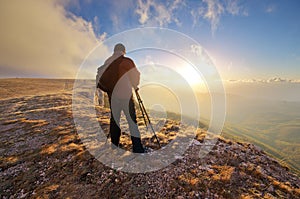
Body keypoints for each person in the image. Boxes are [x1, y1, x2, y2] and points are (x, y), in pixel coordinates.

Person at [100, 43, 145, 153]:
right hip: (126, 96)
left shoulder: (107, 61)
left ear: (114, 51)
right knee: (131, 121)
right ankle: (137, 148)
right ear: (123, 51)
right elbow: (136, 75)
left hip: (112, 97)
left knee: (115, 121)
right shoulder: (127, 61)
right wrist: (135, 85)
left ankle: (114, 146)